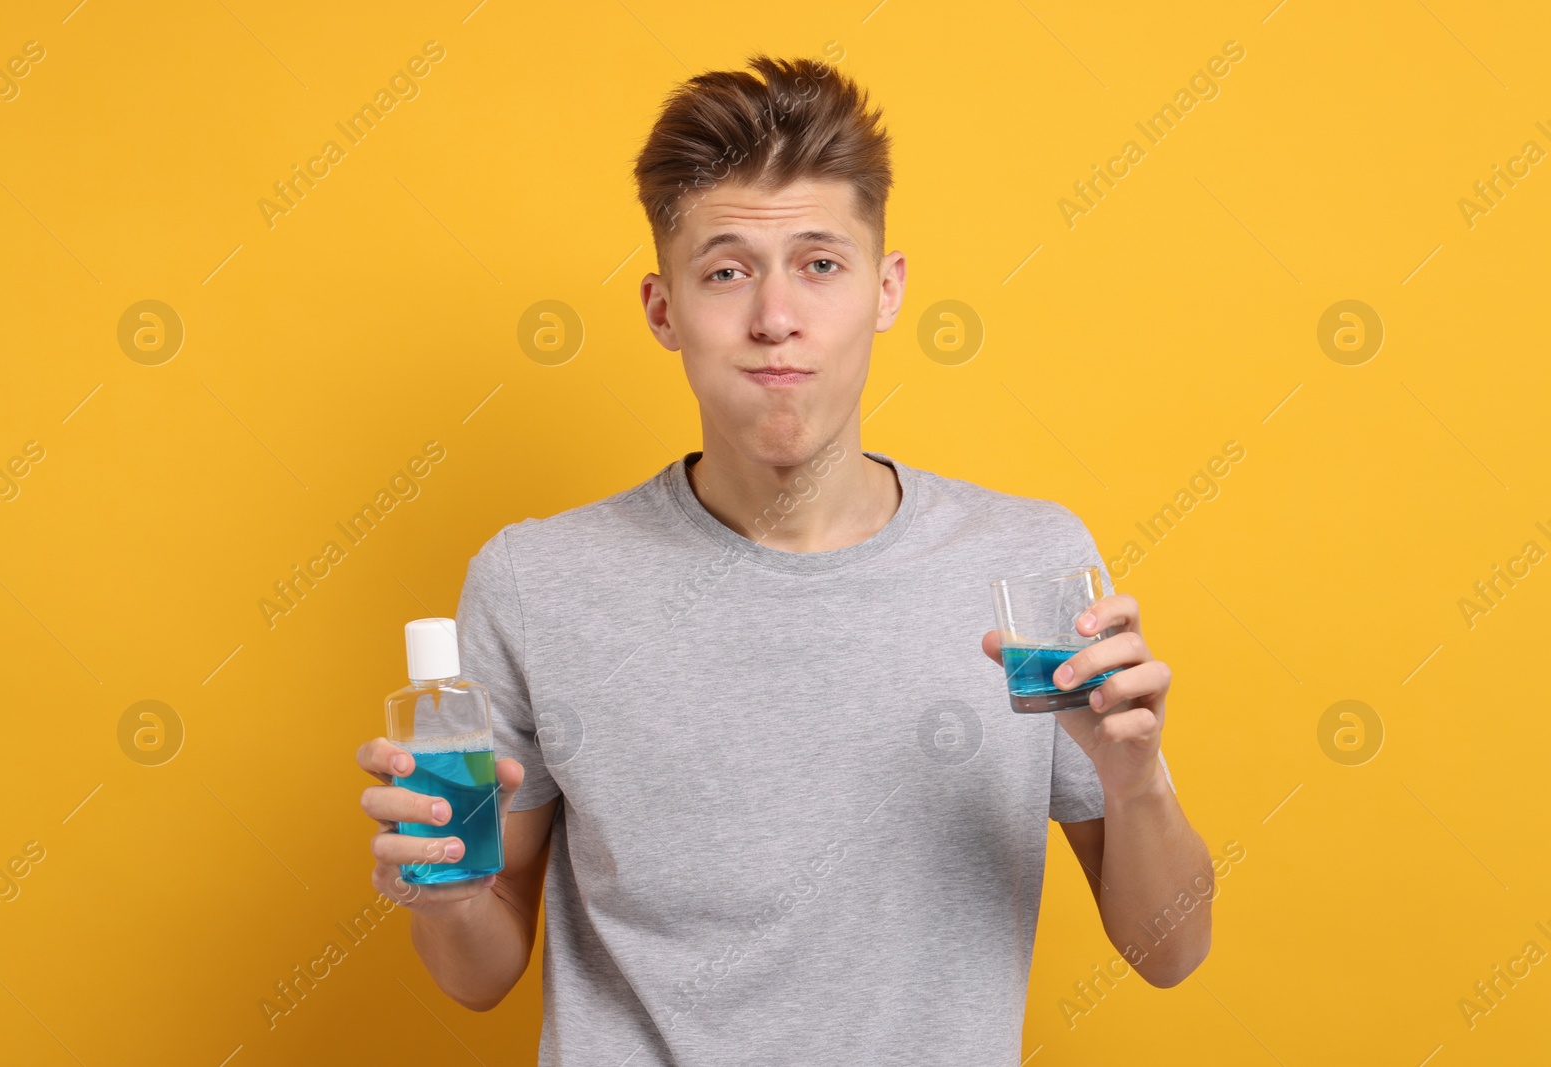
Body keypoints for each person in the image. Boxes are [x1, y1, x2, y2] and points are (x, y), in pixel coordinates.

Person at [357, 52, 1211, 1064]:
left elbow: (1169, 950)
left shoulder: (1025, 560)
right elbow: (479, 972)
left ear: (885, 290)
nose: (774, 316)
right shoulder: (536, 581)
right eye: (725, 270)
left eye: (820, 263)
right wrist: (447, 894)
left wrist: (1136, 777)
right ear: (662, 309)